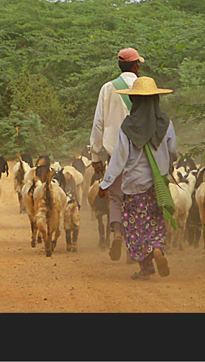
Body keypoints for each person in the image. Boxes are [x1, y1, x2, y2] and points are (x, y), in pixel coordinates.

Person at [97, 76, 178, 279]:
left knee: (136, 227)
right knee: (156, 222)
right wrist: (167, 169)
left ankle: (145, 268)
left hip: (134, 186)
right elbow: (173, 151)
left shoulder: (128, 126)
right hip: (158, 184)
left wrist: (105, 183)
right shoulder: (166, 123)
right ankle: (157, 249)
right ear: (156, 99)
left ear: (134, 100)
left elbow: (118, 158)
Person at [89, 47, 142, 261]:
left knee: (116, 198)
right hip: (140, 155)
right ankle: (134, 247)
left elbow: (99, 123)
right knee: (138, 199)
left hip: (115, 155)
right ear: (136, 66)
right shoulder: (145, 88)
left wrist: (96, 156)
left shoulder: (107, 88)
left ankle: (118, 234)